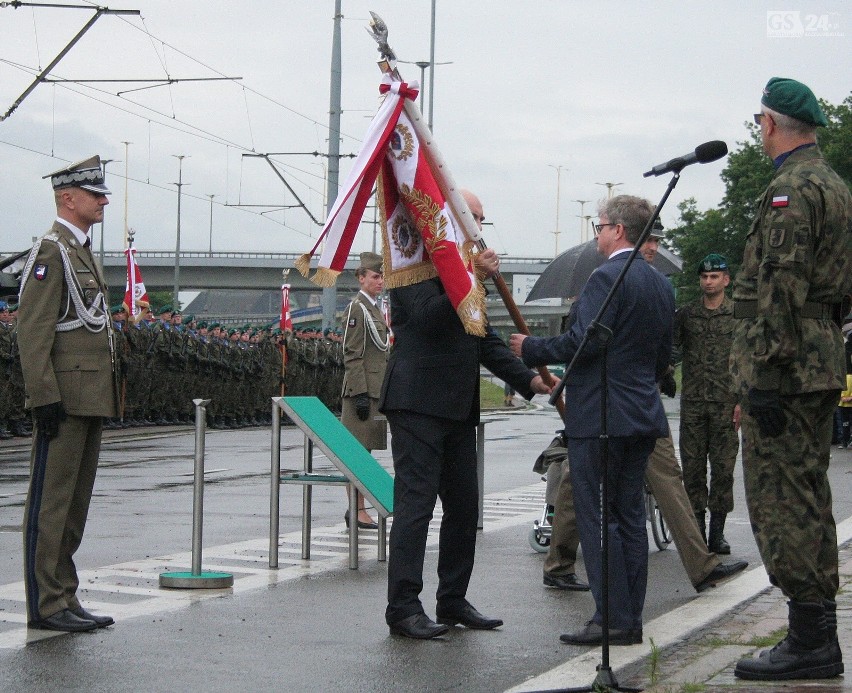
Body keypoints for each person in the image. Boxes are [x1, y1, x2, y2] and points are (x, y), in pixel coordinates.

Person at [380, 189, 551, 639]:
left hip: (456, 407)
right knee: (415, 508)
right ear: (449, 219)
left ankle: (452, 600)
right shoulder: (413, 261)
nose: (478, 229)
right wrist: (471, 271)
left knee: (463, 508)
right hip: (417, 402)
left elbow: (484, 338)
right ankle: (403, 608)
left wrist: (529, 381)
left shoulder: (464, 271)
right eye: (470, 218)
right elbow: (429, 318)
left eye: (482, 220)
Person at [510, 194, 673, 646]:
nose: (597, 233)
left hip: (601, 416)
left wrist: (531, 349)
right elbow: (663, 355)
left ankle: (611, 619)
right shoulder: (661, 285)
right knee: (628, 518)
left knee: (600, 520)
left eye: (600, 226)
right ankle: (629, 616)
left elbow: (585, 342)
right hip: (640, 414)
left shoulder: (607, 277)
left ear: (618, 230)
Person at [733, 77, 851, 681]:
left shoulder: (791, 189)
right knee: (808, 494)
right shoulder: (832, 184)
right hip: (820, 357)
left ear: (770, 124)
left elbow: (780, 285)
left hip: (787, 367)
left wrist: (762, 374)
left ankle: (811, 641)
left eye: (759, 123)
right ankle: (816, 633)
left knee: (781, 501)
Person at [17, 156, 119, 632]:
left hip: (90, 395)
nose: (103, 200)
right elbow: (32, 332)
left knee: (75, 504)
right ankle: (46, 603)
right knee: (51, 503)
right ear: (67, 198)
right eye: (95, 194)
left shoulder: (79, 250)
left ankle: (65, 593)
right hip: (64, 398)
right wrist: (44, 398)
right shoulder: (50, 252)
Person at [674, 253, 741, 554]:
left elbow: (747, 360)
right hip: (694, 405)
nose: (709, 281)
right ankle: (697, 531)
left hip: (726, 404)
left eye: (715, 277)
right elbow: (672, 349)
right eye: (704, 277)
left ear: (726, 280)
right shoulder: (687, 315)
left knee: (723, 470)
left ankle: (718, 532)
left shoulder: (739, 314)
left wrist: (742, 400)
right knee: (693, 469)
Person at [340, 251, 389, 530]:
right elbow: (352, 353)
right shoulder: (358, 309)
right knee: (356, 453)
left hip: (374, 391)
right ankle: (356, 510)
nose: (379, 281)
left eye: (381, 276)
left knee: (366, 452)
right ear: (361, 278)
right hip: (362, 392)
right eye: (374, 276)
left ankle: (358, 509)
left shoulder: (373, 308)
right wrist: (359, 392)